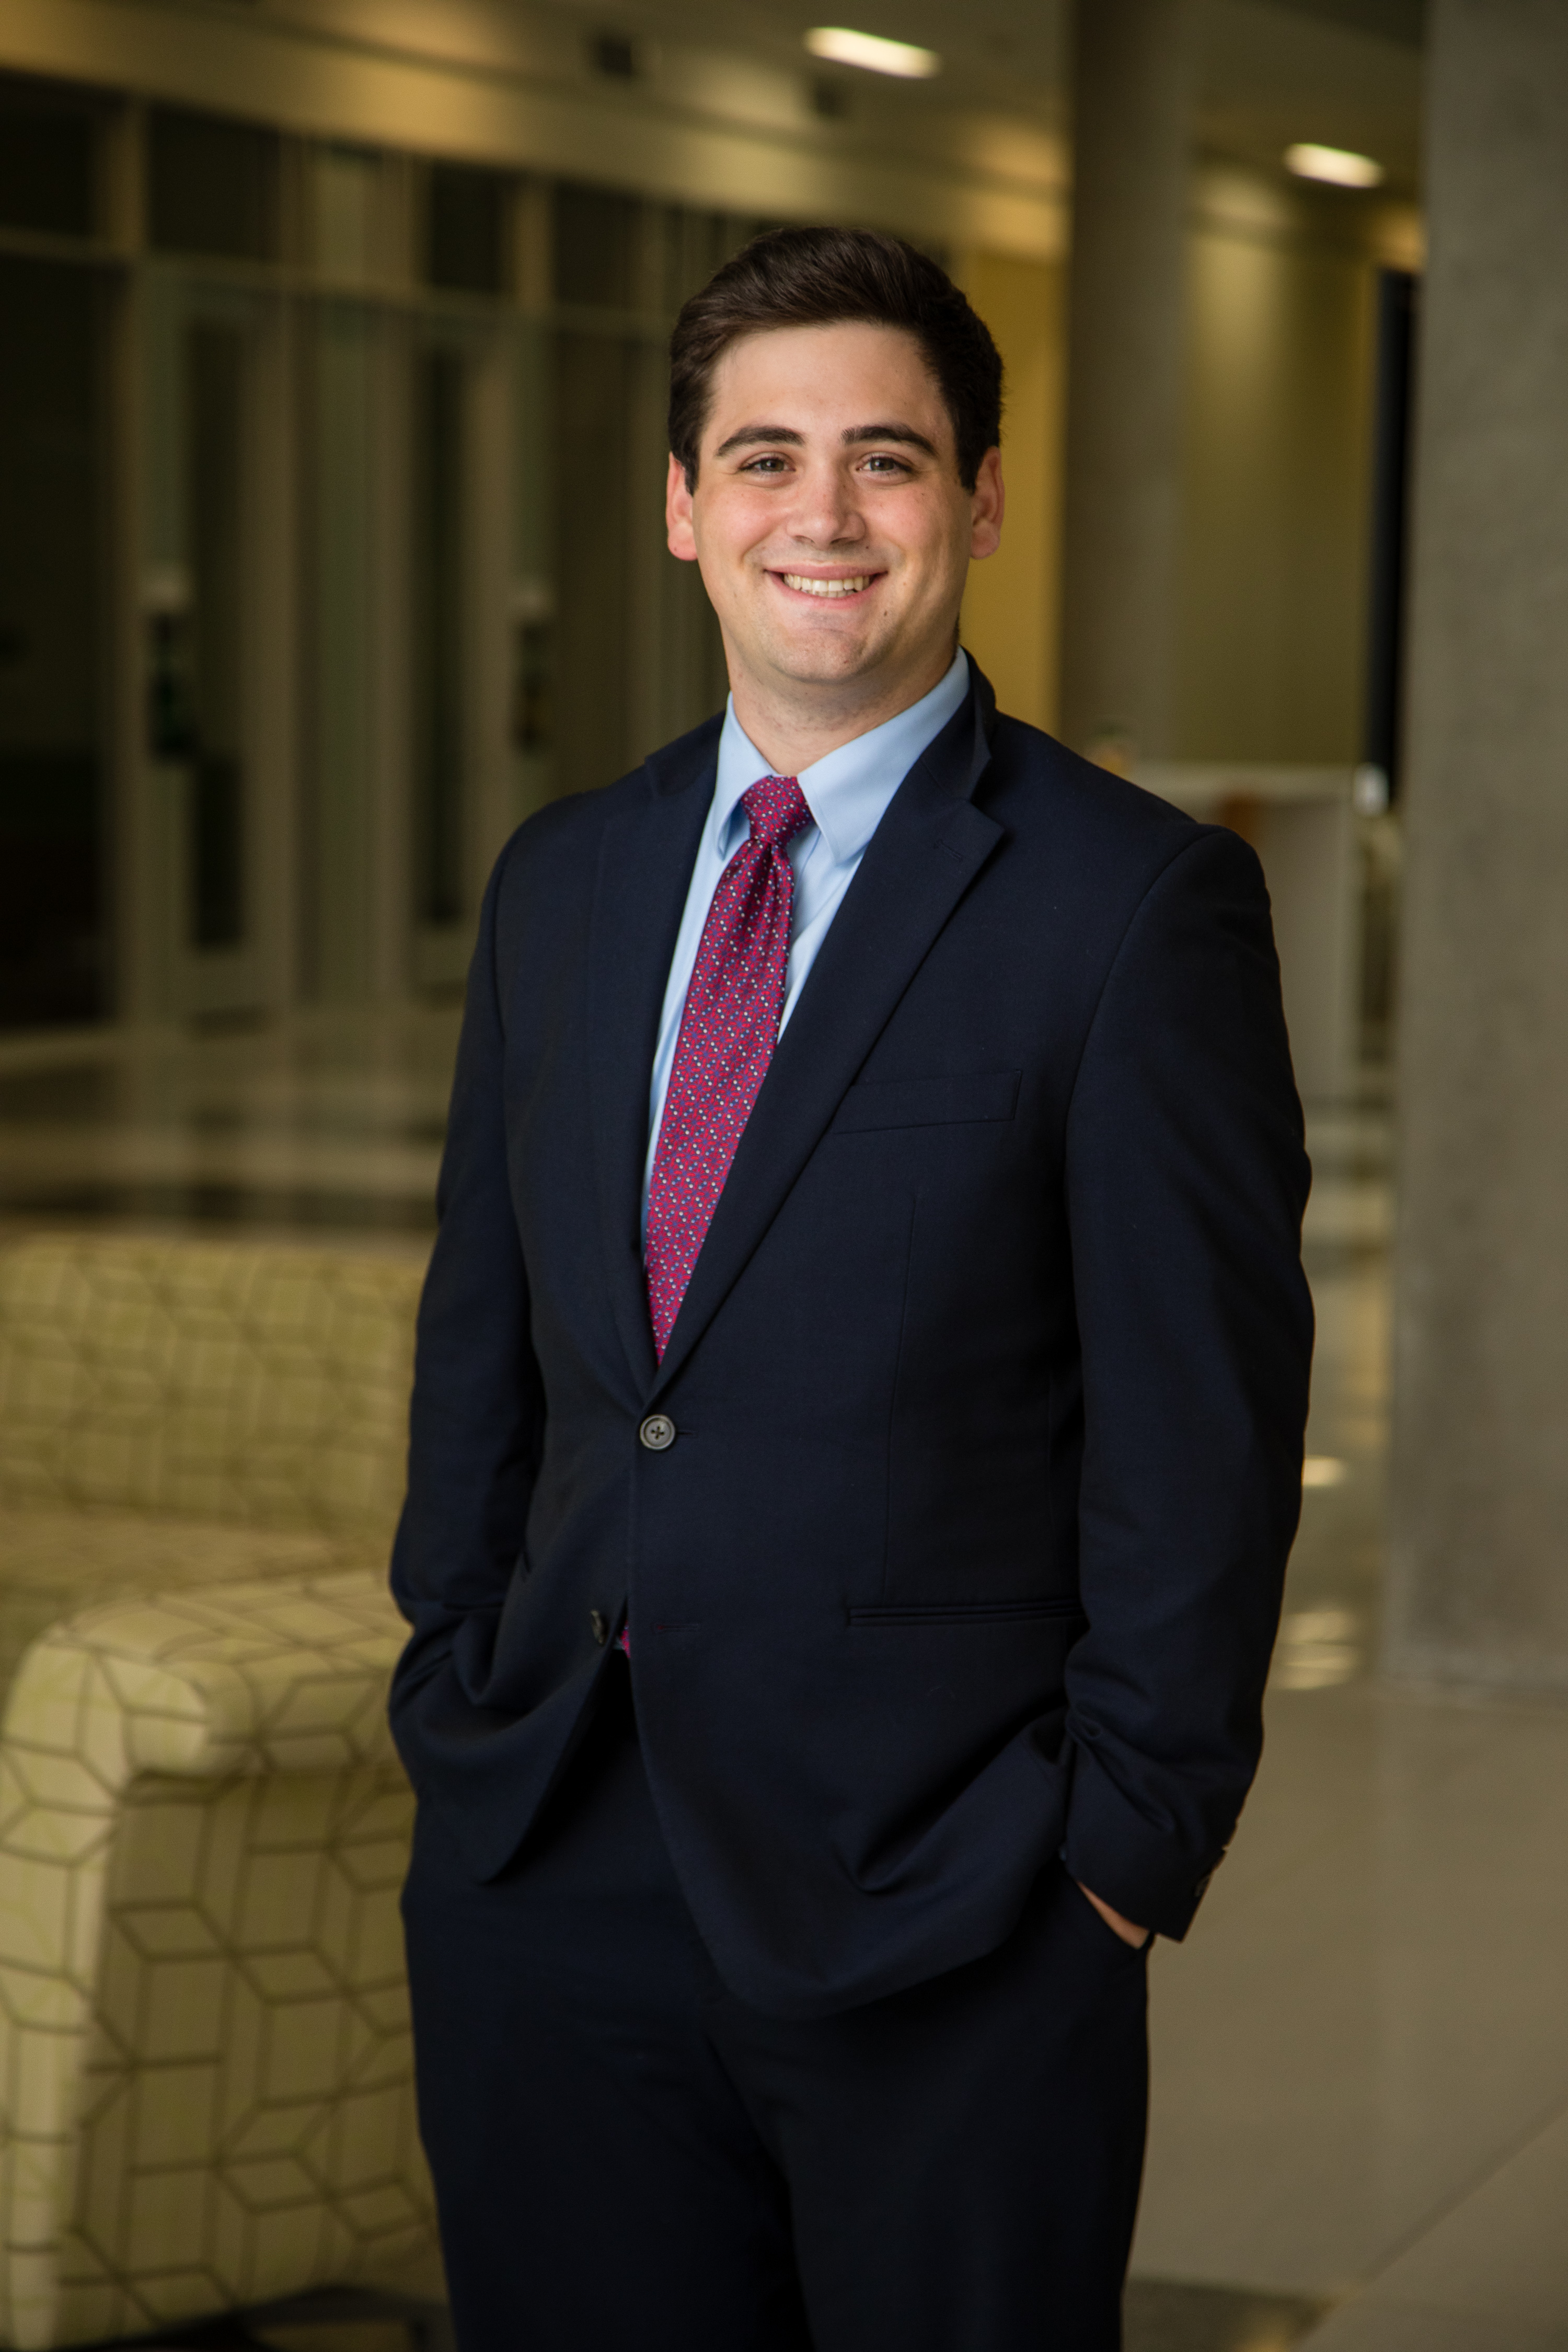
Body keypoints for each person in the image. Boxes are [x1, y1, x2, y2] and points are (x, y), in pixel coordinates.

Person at [391, 224, 1313, 2351]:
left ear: (980, 503)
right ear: (681, 505)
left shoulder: (1134, 907)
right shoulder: (569, 878)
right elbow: (489, 1344)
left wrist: (1113, 1867)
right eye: (768, 456)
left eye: (888, 460)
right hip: (549, 1865)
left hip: (951, 1903)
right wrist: (453, 1681)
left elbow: (1204, 1433)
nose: (823, 515)